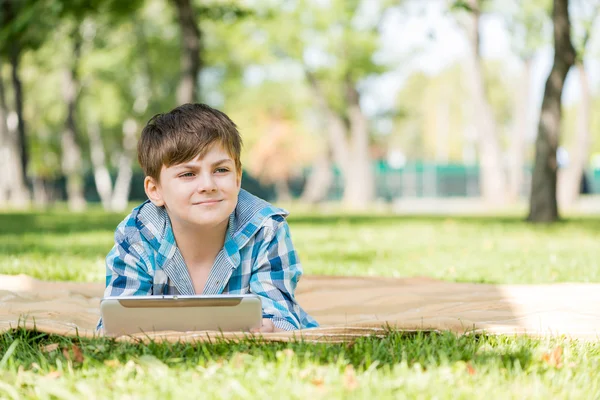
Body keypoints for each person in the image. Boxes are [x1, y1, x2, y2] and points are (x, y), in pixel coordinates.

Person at [97, 103, 318, 333]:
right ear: (155, 190)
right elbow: (115, 324)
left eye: (221, 170)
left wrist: (273, 327)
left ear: (237, 177)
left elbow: (281, 317)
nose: (208, 185)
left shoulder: (266, 229)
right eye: (188, 174)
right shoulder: (137, 235)